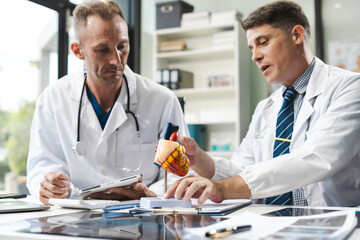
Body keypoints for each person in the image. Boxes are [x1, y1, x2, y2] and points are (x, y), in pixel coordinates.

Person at [164, 0, 360, 207]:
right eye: (251, 48)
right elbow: (243, 171)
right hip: (268, 224)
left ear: (297, 36)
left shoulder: (349, 87)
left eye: (263, 42)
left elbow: (316, 159)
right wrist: (199, 160)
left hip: (329, 225)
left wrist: (223, 188)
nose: (255, 56)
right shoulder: (266, 107)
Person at [26, 0, 189, 205]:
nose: (116, 60)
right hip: (76, 219)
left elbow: (177, 174)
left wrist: (150, 194)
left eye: (122, 46)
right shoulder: (52, 100)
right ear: (78, 51)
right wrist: (49, 186)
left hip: (142, 218)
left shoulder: (163, 101)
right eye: (102, 50)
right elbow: (40, 169)